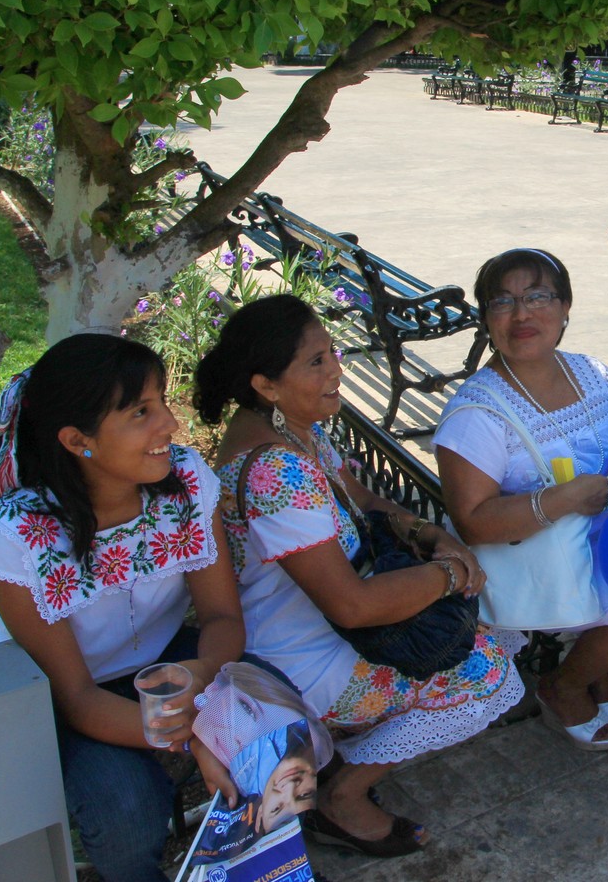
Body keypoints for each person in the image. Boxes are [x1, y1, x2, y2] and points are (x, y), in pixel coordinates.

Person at [196, 295, 525, 858]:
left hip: (322, 625)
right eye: (315, 363)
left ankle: (363, 741)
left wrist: (428, 535)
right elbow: (351, 606)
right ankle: (343, 793)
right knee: (489, 675)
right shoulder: (274, 470)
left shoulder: (292, 431)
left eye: (333, 353)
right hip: (301, 655)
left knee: (494, 619)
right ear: (266, 385)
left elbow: (363, 498)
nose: (337, 371)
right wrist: (447, 575)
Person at [0, 335, 246, 882]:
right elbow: (76, 697)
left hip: (171, 666)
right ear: (77, 439)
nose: (170, 425)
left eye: (162, 401)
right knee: (126, 809)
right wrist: (200, 734)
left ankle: (262, 862)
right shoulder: (17, 535)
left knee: (271, 723)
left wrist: (204, 680)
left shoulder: (185, 481)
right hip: (73, 694)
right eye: (142, 412)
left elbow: (222, 619)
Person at [435, 248, 608, 751]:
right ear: (486, 320)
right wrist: (562, 498)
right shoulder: (477, 415)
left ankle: (595, 666)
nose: (522, 314)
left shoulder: (592, 375)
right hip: (532, 559)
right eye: (503, 302)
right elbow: (474, 522)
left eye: (538, 296)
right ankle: (565, 685)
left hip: (602, 537)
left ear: (566, 308)